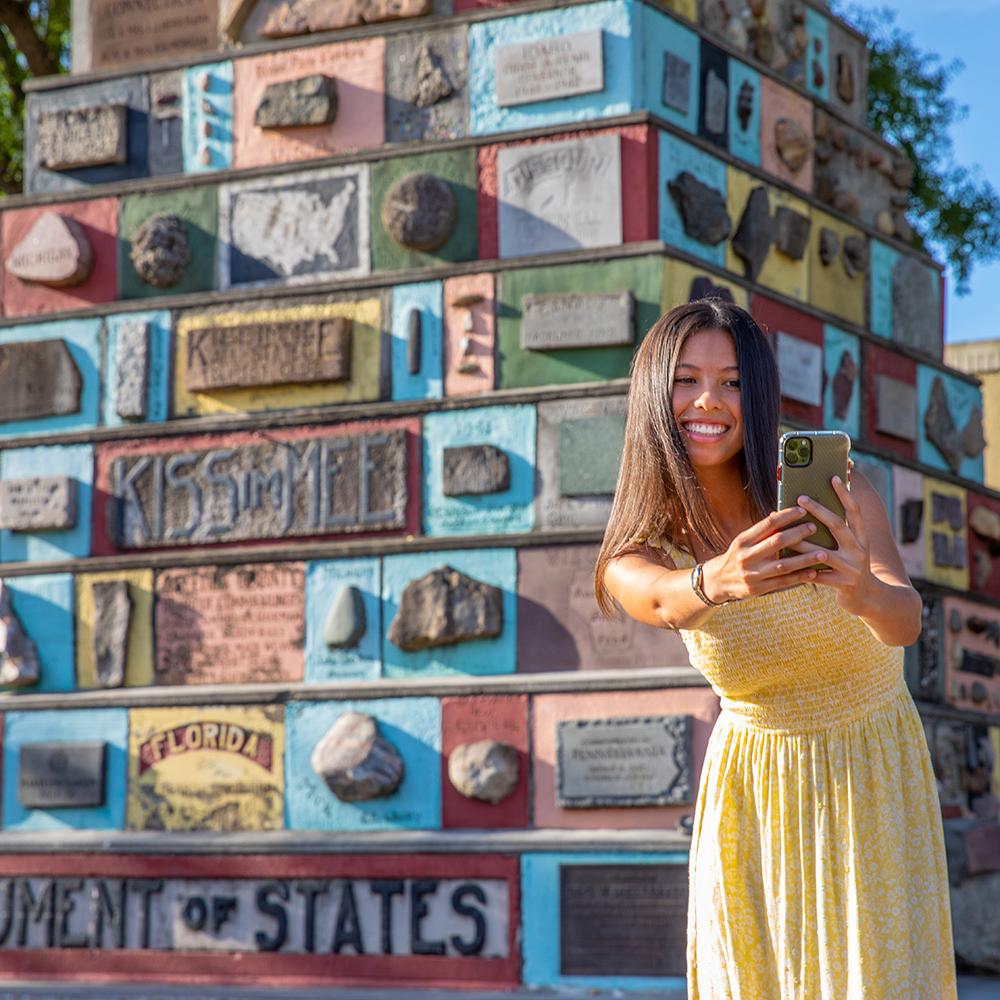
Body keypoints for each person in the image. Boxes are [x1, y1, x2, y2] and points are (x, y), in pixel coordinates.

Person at [594, 299, 957, 999]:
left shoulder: (835, 489)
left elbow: (905, 621)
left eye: (733, 382)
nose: (709, 401)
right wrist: (718, 579)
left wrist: (861, 591)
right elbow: (659, 597)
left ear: (758, 394)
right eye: (686, 379)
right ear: (652, 390)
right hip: (756, 789)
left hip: (870, 770)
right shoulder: (647, 540)